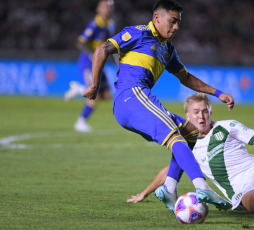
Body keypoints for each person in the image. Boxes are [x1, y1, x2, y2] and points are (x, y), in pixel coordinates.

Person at [82, 0, 235, 213]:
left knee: (191, 132)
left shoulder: (168, 50)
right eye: (172, 21)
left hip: (138, 100)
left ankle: (169, 188)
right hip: (131, 96)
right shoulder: (138, 33)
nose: (176, 27)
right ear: (157, 18)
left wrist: (218, 93)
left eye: (178, 23)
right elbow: (101, 50)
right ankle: (202, 187)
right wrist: (95, 85)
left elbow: (187, 78)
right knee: (175, 137)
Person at [64, 0, 116, 133]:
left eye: (110, 8)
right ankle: (80, 122)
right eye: (106, 7)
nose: (108, 10)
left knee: (106, 95)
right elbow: (80, 43)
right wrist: (92, 55)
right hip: (89, 63)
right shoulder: (95, 24)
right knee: (95, 94)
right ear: (99, 9)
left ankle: (79, 89)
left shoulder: (109, 25)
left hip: (99, 63)